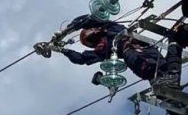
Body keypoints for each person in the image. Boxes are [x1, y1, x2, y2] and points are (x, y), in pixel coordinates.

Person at [43, 14, 173, 82]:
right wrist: (62, 50)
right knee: (152, 73)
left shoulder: (110, 27)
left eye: (90, 29)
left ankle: (171, 93)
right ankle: (168, 97)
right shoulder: (102, 49)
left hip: (148, 49)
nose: (91, 30)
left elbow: (86, 19)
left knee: (167, 70)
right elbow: (82, 58)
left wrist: (66, 31)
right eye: (88, 33)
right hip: (135, 57)